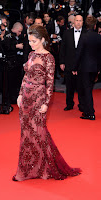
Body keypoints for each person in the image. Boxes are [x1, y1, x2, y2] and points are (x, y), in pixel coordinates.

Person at [12, 24, 81, 181]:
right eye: (29, 41)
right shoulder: (30, 54)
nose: (31, 44)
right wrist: (20, 94)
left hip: (38, 98)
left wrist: (46, 103)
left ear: (42, 39)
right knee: (26, 134)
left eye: (34, 41)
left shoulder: (49, 58)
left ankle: (44, 168)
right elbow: (25, 76)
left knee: (39, 133)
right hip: (26, 99)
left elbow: (50, 83)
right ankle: (26, 170)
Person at [73, 16, 101, 120]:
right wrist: (98, 68)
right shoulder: (99, 37)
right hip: (94, 68)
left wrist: (74, 67)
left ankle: (90, 113)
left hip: (84, 68)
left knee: (87, 90)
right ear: (94, 26)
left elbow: (78, 53)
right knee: (88, 89)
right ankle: (87, 111)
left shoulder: (83, 36)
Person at [59, 15, 86, 111]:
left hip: (82, 65)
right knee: (69, 86)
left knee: (81, 86)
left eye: (80, 21)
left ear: (83, 22)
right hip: (69, 63)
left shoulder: (86, 33)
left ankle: (82, 105)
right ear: (73, 22)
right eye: (77, 20)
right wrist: (61, 62)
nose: (78, 22)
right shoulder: (67, 33)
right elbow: (62, 48)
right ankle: (69, 104)